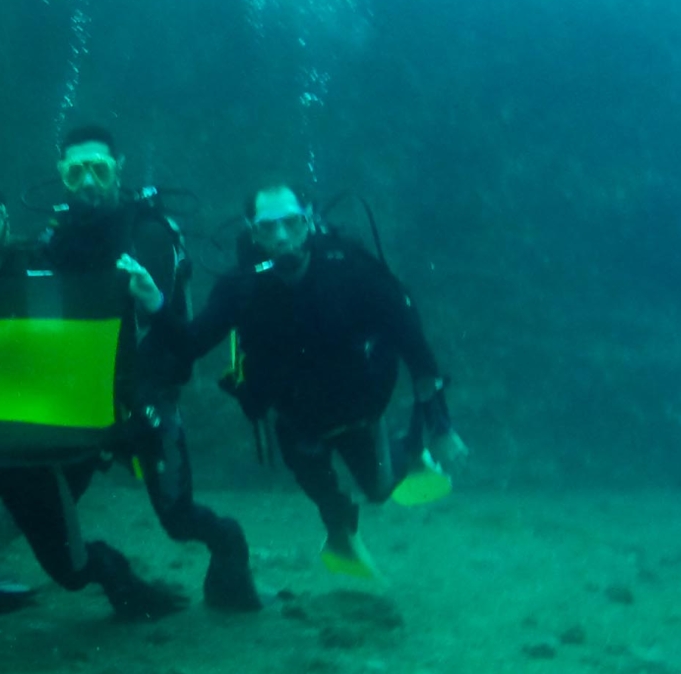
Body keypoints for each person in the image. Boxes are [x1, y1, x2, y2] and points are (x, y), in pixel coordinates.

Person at [0, 186, 186, 622]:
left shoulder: (42, 271)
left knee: (73, 569)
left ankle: (123, 581)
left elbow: (82, 332)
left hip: (27, 453)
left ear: (6, 221)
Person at [166, 183, 464, 575]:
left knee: (378, 489)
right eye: (268, 228)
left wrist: (439, 423)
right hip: (297, 417)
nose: (282, 237)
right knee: (323, 492)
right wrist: (157, 305)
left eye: (291, 223)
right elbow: (192, 343)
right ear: (252, 232)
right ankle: (341, 527)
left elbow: (411, 340)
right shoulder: (241, 288)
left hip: (358, 411)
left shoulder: (351, 268)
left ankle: (410, 452)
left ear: (308, 221)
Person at [40, 125, 252, 611]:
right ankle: (118, 579)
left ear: (119, 168)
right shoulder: (56, 235)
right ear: (62, 176)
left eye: (98, 168)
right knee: (49, 513)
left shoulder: (150, 232)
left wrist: (152, 304)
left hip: (145, 394)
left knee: (178, 519)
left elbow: (177, 329)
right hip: (78, 395)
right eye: (76, 171)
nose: (88, 180)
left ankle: (227, 543)